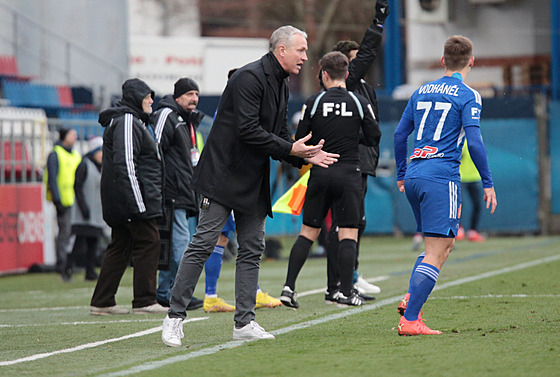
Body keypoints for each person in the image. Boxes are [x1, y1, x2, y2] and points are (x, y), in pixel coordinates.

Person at [161, 25, 339, 347]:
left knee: (252, 248)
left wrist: (305, 155)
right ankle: (174, 317)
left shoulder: (282, 84)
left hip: (253, 179)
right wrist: (291, 150)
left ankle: (244, 322)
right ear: (281, 50)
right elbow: (247, 131)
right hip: (221, 176)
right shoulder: (248, 77)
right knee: (202, 244)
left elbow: (281, 134)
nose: (305, 56)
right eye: (300, 50)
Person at [393, 35, 497, 336]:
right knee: (438, 250)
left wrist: (402, 173)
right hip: (441, 176)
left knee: (438, 246)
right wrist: (487, 181)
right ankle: (410, 320)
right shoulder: (468, 95)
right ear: (471, 61)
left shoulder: (421, 90)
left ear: (443, 61)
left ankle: (411, 300)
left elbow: (400, 136)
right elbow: (474, 141)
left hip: (415, 172)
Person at [280, 51, 381, 309]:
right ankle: (345, 292)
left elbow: (301, 139)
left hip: (320, 172)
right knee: (348, 233)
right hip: (348, 173)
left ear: (324, 74)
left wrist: (318, 148)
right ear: (346, 74)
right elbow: (374, 136)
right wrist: (349, 140)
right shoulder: (358, 101)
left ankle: (288, 288)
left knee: (308, 232)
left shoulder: (313, 102)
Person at [325, 0, 389, 298]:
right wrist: (377, 22)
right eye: (352, 60)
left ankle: (348, 275)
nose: (359, 63)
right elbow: (367, 53)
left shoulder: (360, 85)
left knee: (354, 222)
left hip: (361, 160)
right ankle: (341, 280)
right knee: (345, 223)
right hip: (351, 161)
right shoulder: (347, 85)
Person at [90, 78, 168, 316]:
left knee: (121, 245)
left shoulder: (133, 120)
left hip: (127, 198)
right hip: (130, 199)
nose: (151, 101)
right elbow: (126, 163)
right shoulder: (126, 120)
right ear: (136, 98)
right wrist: (138, 203)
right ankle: (144, 300)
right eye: (147, 97)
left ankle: (102, 301)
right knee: (150, 241)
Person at [152, 77, 205, 311]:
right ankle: (178, 293)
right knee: (181, 245)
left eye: (196, 94)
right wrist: (159, 186)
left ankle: (166, 292)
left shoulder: (186, 121)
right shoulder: (167, 116)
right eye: (189, 94)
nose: (194, 99)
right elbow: (154, 151)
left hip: (185, 191)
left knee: (176, 244)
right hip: (171, 192)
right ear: (177, 97)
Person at [203, 212, 283, 312]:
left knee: (221, 238)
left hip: (217, 199)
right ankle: (254, 293)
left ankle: (210, 297)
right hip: (231, 198)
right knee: (244, 232)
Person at [66, 136, 104, 282]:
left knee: (93, 243)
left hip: (96, 213)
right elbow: (78, 187)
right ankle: (68, 268)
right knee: (78, 243)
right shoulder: (84, 165)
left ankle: (90, 270)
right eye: (100, 151)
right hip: (84, 213)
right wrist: (83, 208)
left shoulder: (101, 167)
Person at [45, 127, 81, 281]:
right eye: (72, 134)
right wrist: (57, 199)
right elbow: (52, 178)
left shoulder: (75, 154)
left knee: (73, 234)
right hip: (64, 200)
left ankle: (71, 263)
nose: (75, 137)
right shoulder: (55, 154)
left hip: (76, 199)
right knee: (64, 233)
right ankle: (62, 264)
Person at [456, 140, 485, 242]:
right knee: (459, 204)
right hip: (461, 177)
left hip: (474, 177)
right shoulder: (460, 138)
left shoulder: (477, 137)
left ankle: (473, 231)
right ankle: (458, 229)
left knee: (477, 204)